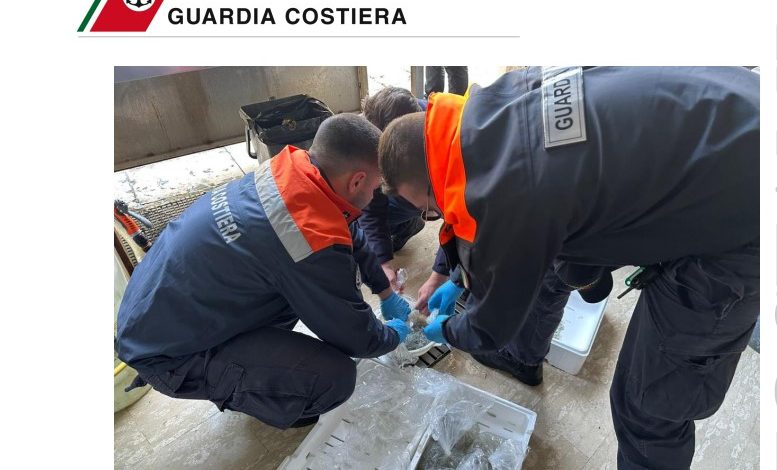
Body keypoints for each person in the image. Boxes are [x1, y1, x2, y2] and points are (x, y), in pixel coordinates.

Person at [378, 67, 759, 469]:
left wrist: (450, 330)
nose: (433, 214)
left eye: (428, 207)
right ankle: (545, 330)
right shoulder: (498, 105)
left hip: (742, 219)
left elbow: (490, 326)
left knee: (647, 405)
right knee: (558, 260)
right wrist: (458, 278)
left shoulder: (511, 197)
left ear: (431, 180)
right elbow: (526, 218)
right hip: (731, 109)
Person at [116, 114, 412, 430]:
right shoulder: (307, 236)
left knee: (293, 292)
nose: (374, 195)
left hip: (151, 306)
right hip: (168, 355)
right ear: (356, 181)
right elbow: (356, 337)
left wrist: (385, 292)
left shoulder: (293, 172)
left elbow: (348, 227)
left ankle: (251, 363)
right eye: (375, 187)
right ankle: (257, 393)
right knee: (333, 378)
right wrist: (392, 335)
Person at [360, 87, 450, 301]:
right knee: (359, 220)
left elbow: (461, 220)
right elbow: (370, 207)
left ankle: (414, 213)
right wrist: (383, 261)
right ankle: (408, 223)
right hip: (413, 196)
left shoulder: (444, 141)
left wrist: (441, 274)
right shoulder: (371, 134)